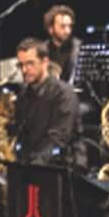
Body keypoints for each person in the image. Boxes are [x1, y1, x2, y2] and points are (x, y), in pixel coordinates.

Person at [11, 38, 83, 168]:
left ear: (45, 62)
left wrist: (33, 166)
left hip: (64, 167)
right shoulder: (24, 95)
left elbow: (59, 140)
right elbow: (22, 135)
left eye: (30, 64)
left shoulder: (64, 94)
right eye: (21, 65)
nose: (24, 70)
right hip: (36, 163)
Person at [44, 4, 80, 85]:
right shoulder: (43, 50)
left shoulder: (79, 48)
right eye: (62, 26)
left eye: (70, 26)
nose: (68, 31)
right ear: (50, 29)